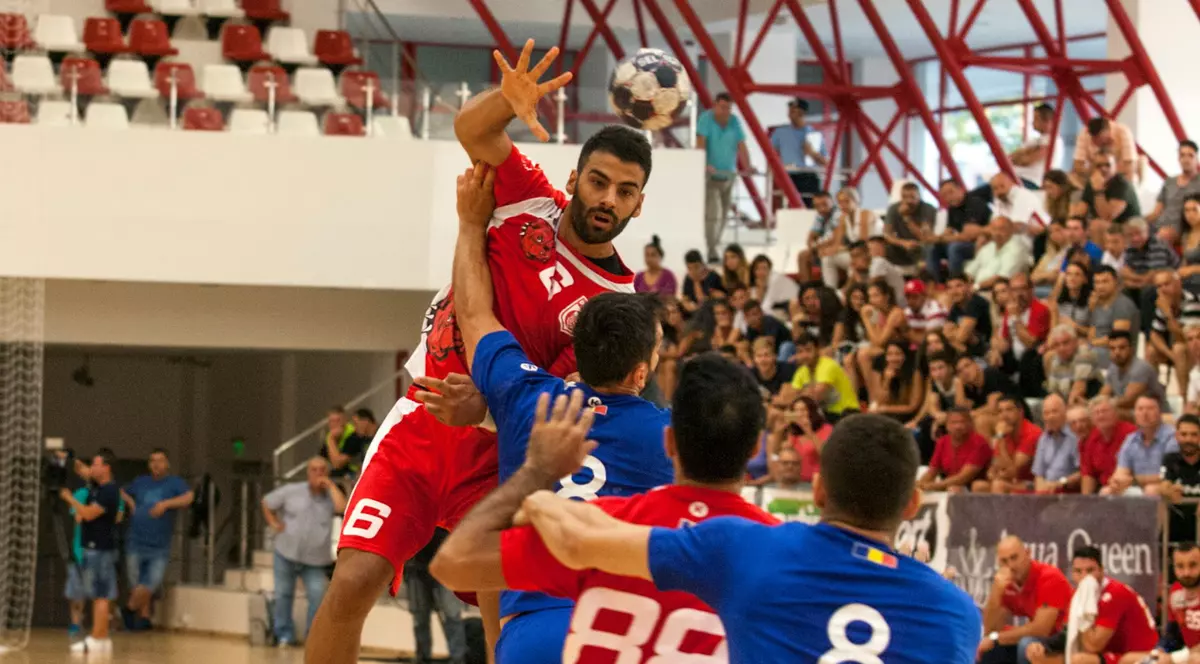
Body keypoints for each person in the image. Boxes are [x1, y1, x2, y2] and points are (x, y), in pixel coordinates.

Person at [308, 39, 648, 664]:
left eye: (624, 192)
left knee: (501, 615)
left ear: (638, 204)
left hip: (500, 454)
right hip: (421, 422)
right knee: (353, 580)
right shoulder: (530, 200)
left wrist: (485, 413)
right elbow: (472, 127)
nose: (607, 199)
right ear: (576, 179)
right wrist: (508, 101)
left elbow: (565, 400)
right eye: (599, 182)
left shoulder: (617, 302)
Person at [496, 413, 981, 663]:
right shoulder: (956, 614)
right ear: (912, 503)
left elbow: (580, 542)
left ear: (816, 489)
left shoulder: (751, 547)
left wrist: (538, 488)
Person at [450, 164, 675, 664]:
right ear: (641, 373)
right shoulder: (671, 436)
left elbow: (473, 313)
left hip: (533, 634)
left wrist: (469, 225)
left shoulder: (525, 397)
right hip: (620, 632)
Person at [430, 353, 778, 664]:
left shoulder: (601, 527)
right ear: (755, 450)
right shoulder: (783, 549)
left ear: (670, 442)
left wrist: (535, 476)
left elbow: (455, 562)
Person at [1023, 546, 1157, 664]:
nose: (1085, 577)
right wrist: (1042, 646)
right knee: (1038, 656)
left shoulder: (1115, 593)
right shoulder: (1078, 596)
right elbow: (1067, 634)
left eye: (1090, 570)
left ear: (1102, 570)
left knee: (1080, 660)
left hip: (1138, 655)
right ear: (1072, 574)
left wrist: (1085, 610)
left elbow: (1093, 645)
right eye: (1078, 571)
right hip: (1111, 654)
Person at [263, 456, 345, 647]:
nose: (318, 474)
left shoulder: (332, 496)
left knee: (317, 596)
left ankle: (313, 638)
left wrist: (331, 486)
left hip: (315, 561)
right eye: (314, 470)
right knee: (283, 594)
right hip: (285, 553)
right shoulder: (292, 491)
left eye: (322, 470)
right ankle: (284, 634)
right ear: (307, 473)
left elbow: (343, 508)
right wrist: (274, 523)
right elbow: (267, 502)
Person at [120, 448, 193, 631]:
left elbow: (188, 497)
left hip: (159, 546)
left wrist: (166, 504)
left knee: (151, 582)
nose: (156, 464)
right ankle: (144, 617)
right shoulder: (140, 482)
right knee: (135, 582)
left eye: (160, 460)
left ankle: (128, 610)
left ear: (167, 463)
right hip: (136, 541)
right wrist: (130, 503)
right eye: (152, 460)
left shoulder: (174, 483)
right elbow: (120, 491)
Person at [58, 450, 121, 655]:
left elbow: (87, 514)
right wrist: (68, 458)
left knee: (100, 595)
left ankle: (97, 637)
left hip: (100, 548)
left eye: (96, 464)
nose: (92, 468)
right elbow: (82, 470)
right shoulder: (98, 486)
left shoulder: (109, 492)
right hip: (95, 548)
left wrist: (69, 498)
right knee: (99, 595)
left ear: (106, 468)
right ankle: (101, 639)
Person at [977, 535, 1073, 664]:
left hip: (1065, 639)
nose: (1011, 565)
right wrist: (996, 592)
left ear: (1027, 554)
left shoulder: (1049, 577)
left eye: (1014, 558)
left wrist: (996, 637)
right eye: (1004, 561)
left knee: (1027, 644)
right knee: (990, 649)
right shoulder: (1007, 583)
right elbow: (990, 629)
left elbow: (1041, 630)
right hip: (1043, 640)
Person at [697, 92, 751, 263]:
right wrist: (704, 164)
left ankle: (715, 245)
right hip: (710, 177)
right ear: (715, 105)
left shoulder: (734, 121)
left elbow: (741, 145)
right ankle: (711, 249)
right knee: (714, 213)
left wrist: (748, 166)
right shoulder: (705, 119)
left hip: (729, 175)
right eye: (722, 107)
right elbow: (700, 143)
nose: (725, 111)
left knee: (724, 214)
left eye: (728, 108)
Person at [404, 530, 467, 664]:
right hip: (416, 567)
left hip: (446, 565)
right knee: (420, 617)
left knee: (452, 614)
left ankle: (458, 658)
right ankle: (422, 657)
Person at [1106, 395, 1177, 496]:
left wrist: (1134, 480)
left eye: (1150, 409)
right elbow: (1121, 472)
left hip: (1167, 486)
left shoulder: (1172, 437)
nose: (1145, 413)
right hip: (1137, 487)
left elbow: (1169, 476)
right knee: (1107, 491)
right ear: (1134, 413)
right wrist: (1116, 481)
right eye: (1140, 409)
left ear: (1160, 412)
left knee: (1150, 490)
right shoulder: (1131, 439)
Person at [973, 395, 1042, 494]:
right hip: (1013, 482)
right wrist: (992, 473)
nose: (1004, 415)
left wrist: (1000, 437)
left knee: (999, 485)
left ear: (1020, 412)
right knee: (978, 486)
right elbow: (996, 465)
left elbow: (1013, 471)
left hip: (1034, 484)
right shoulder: (1005, 432)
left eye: (1009, 410)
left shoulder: (1032, 433)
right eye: (1000, 411)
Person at [927, 179, 991, 282]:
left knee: (954, 247)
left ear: (960, 189)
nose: (948, 197)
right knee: (932, 248)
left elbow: (968, 235)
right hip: (964, 243)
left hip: (982, 243)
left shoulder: (974, 203)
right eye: (944, 195)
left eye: (951, 192)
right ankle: (935, 283)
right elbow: (948, 230)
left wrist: (946, 238)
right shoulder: (952, 208)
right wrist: (936, 239)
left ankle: (955, 282)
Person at [1149, 271, 1200, 396]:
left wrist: (1167, 313)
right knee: (1151, 351)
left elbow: (1186, 337)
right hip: (1178, 350)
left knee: (1179, 349)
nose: (1163, 289)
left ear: (1178, 284)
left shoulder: (1193, 301)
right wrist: (1169, 354)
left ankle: (1184, 397)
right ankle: (1156, 397)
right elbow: (1154, 334)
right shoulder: (1165, 303)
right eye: (1159, 286)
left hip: (1195, 347)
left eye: (1166, 284)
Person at [918, 408, 990, 493]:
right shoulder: (942, 442)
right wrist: (920, 485)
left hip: (973, 487)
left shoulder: (979, 443)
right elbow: (932, 472)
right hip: (949, 484)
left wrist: (932, 486)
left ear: (970, 424)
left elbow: (963, 477)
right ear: (947, 425)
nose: (958, 426)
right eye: (953, 422)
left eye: (962, 422)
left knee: (954, 489)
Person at [771, 97, 827, 207]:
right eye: (790, 111)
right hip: (788, 176)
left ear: (802, 113)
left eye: (793, 111)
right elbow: (771, 156)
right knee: (789, 209)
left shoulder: (814, 134)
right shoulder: (780, 132)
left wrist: (812, 153)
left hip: (809, 177)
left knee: (809, 209)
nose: (789, 114)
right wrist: (774, 175)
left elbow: (825, 162)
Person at [791, 331, 859, 419]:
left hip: (846, 414)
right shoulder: (801, 371)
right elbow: (792, 399)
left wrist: (801, 394)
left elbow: (815, 397)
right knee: (786, 419)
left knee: (800, 417)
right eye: (800, 351)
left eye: (808, 350)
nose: (804, 355)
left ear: (817, 350)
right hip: (826, 414)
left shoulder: (827, 365)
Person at [1101, 331, 1167, 417]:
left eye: (1122, 348)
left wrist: (1102, 405)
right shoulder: (1113, 368)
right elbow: (1103, 395)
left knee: (1106, 414)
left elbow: (1129, 401)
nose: (1117, 352)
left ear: (1131, 349)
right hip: (1132, 413)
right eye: (1112, 348)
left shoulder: (1141, 368)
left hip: (1155, 415)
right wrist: (1090, 404)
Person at [1079, 397, 1137, 495]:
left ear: (1115, 414)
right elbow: (1088, 474)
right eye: (1096, 413)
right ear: (1092, 419)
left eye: (1105, 411)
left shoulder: (1130, 433)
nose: (1101, 415)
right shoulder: (1092, 438)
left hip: (1130, 486)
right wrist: (1086, 500)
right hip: (1105, 490)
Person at [1153, 543, 1200, 662]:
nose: (1186, 573)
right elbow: (1173, 634)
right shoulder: (1175, 592)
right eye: (1180, 566)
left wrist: (1175, 658)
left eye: (1193, 565)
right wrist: (1160, 650)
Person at [1158, 415, 1200, 544]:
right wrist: (1168, 490)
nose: (1188, 439)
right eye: (1184, 434)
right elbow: (1163, 485)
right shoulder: (1170, 459)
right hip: (1177, 527)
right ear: (1176, 436)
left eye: (1194, 435)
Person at [1148, 140, 1200, 243]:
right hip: (1159, 225)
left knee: (1160, 236)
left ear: (1197, 159)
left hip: (1182, 227)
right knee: (1132, 229)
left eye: (1190, 155)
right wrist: (1139, 221)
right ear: (1178, 159)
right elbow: (1156, 212)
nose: (1186, 159)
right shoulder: (1169, 181)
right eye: (1182, 155)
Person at [1088, 266, 1139, 366]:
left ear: (1115, 282)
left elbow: (1117, 340)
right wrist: (1091, 310)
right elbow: (1091, 335)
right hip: (1097, 350)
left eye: (1105, 282)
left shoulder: (1123, 304)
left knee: (1078, 356)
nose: (1100, 286)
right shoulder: (1097, 304)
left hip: (1117, 354)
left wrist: (1089, 345)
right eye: (1097, 282)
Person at [1043, 324, 1103, 406]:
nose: (1061, 348)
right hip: (1069, 406)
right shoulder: (1056, 361)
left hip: (1091, 406)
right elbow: (1054, 392)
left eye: (1065, 343)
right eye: (1057, 345)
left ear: (1075, 342)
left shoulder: (1084, 354)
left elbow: (1077, 392)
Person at [965, 216, 1033, 289]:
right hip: (977, 290)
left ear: (1011, 230)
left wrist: (975, 287)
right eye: (994, 229)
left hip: (1000, 291)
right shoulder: (988, 247)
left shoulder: (1017, 248)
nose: (997, 233)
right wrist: (965, 286)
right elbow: (970, 272)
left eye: (1002, 229)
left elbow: (1002, 278)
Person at [1030, 395, 1081, 493]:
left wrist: (1060, 483)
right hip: (1047, 492)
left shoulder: (1075, 436)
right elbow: (1038, 475)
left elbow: (1083, 472)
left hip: (1067, 491)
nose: (1050, 416)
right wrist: (1041, 491)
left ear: (1065, 412)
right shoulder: (1043, 438)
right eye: (1046, 413)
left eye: (1054, 411)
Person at [882, 182, 936, 269]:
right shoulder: (894, 208)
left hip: (921, 245)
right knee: (886, 248)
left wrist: (906, 217)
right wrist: (903, 243)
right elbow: (887, 233)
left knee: (927, 248)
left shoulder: (928, 209)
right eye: (905, 197)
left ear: (919, 196)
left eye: (912, 197)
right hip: (902, 245)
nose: (908, 201)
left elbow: (924, 237)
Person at [1010, 104, 1065, 188]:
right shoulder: (1034, 140)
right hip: (1016, 179)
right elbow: (1011, 158)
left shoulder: (1054, 140)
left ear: (1047, 121)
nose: (1032, 122)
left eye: (1036, 119)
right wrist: (1027, 153)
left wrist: (1024, 154)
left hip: (1031, 181)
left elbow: (1027, 160)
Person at [1073, 116, 1139, 185]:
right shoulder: (1084, 134)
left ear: (1108, 131)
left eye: (1101, 139)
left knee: (1140, 164)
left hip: (1120, 174)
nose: (1097, 143)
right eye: (1094, 140)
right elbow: (1078, 165)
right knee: (1074, 178)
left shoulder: (1123, 132)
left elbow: (1130, 164)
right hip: (1095, 173)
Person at [945, 272, 992, 358]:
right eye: (950, 288)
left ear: (968, 286)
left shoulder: (976, 302)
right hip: (968, 350)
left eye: (959, 286)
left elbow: (961, 337)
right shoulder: (956, 306)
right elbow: (946, 333)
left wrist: (957, 333)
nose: (954, 291)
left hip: (987, 351)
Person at [747, 253, 798, 322]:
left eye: (764, 268)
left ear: (769, 270)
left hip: (782, 311)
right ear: (753, 271)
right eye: (757, 269)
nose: (761, 272)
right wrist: (760, 289)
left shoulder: (776, 282)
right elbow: (757, 308)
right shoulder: (752, 289)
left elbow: (766, 306)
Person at [680, 249, 724, 315]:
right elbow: (685, 298)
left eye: (696, 267)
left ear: (702, 264)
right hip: (694, 314)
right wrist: (687, 304)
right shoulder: (688, 278)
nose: (693, 271)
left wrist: (696, 281)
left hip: (712, 313)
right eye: (689, 268)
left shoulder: (713, 276)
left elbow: (721, 297)